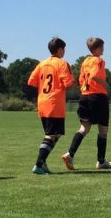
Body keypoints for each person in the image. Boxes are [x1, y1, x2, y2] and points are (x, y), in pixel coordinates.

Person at [62, 37, 111, 170]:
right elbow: (94, 75)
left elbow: (81, 80)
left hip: (84, 96)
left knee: (84, 128)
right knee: (103, 130)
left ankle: (70, 154)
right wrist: (105, 85)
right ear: (97, 49)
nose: (103, 49)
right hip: (97, 97)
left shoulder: (85, 61)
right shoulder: (98, 60)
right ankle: (101, 161)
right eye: (102, 47)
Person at [27, 37, 76, 174]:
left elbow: (31, 81)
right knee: (51, 135)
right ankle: (39, 164)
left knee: (55, 134)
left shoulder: (42, 64)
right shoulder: (62, 63)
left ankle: (43, 162)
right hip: (54, 104)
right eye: (64, 49)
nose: (64, 52)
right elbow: (68, 83)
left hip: (42, 102)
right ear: (60, 49)